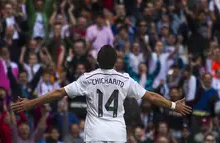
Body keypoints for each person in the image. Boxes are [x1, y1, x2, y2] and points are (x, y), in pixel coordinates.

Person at [11, 45, 192, 143]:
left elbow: (59, 92)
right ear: (115, 62)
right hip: (116, 133)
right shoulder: (125, 79)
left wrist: (32, 103)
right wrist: (174, 105)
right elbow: (151, 96)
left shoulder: (88, 78)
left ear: (97, 60)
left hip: (95, 133)